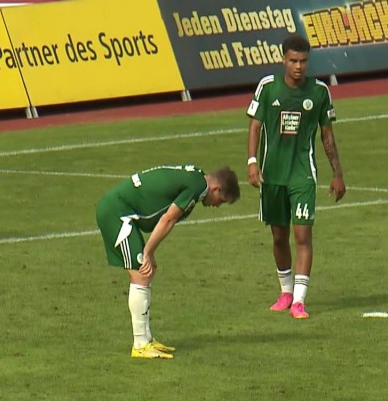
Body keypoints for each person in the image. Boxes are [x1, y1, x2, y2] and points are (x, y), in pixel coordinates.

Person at [246, 33, 346, 320]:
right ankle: (286, 291)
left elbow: (327, 136)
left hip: (303, 174)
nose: (299, 66)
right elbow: (255, 127)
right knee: (279, 237)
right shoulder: (267, 87)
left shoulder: (319, 92)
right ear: (283, 60)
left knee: (303, 235)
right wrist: (252, 162)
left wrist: (337, 174)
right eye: (293, 61)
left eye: (303, 61)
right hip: (272, 176)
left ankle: (299, 301)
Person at [96, 165, 241, 359]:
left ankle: (146, 339)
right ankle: (140, 344)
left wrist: (150, 253)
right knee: (140, 274)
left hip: (125, 214)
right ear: (216, 189)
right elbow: (168, 220)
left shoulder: (196, 179)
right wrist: (147, 252)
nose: (217, 206)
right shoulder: (197, 186)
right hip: (117, 213)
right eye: (220, 201)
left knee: (147, 271)